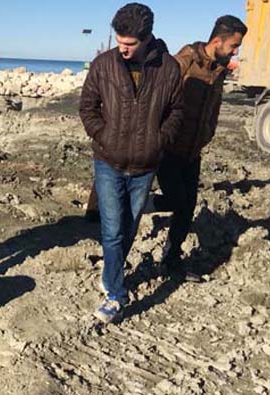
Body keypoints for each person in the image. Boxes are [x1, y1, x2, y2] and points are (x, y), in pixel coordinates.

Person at [79, 2, 184, 323]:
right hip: (108, 161)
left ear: (148, 38)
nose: (121, 49)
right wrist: (104, 136)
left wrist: (159, 141)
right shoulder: (103, 65)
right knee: (111, 230)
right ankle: (115, 292)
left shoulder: (169, 69)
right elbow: (87, 107)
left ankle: (112, 270)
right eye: (119, 41)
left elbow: (177, 112)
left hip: (145, 166)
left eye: (129, 44)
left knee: (128, 228)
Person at [154, 15, 247, 281]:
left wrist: (208, 133)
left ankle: (171, 262)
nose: (235, 51)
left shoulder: (219, 69)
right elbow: (158, 101)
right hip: (169, 149)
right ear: (217, 41)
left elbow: (213, 109)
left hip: (193, 152)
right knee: (176, 201)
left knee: (187, 207)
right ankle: (140, 204)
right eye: (234, 45)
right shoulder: (183, 62)